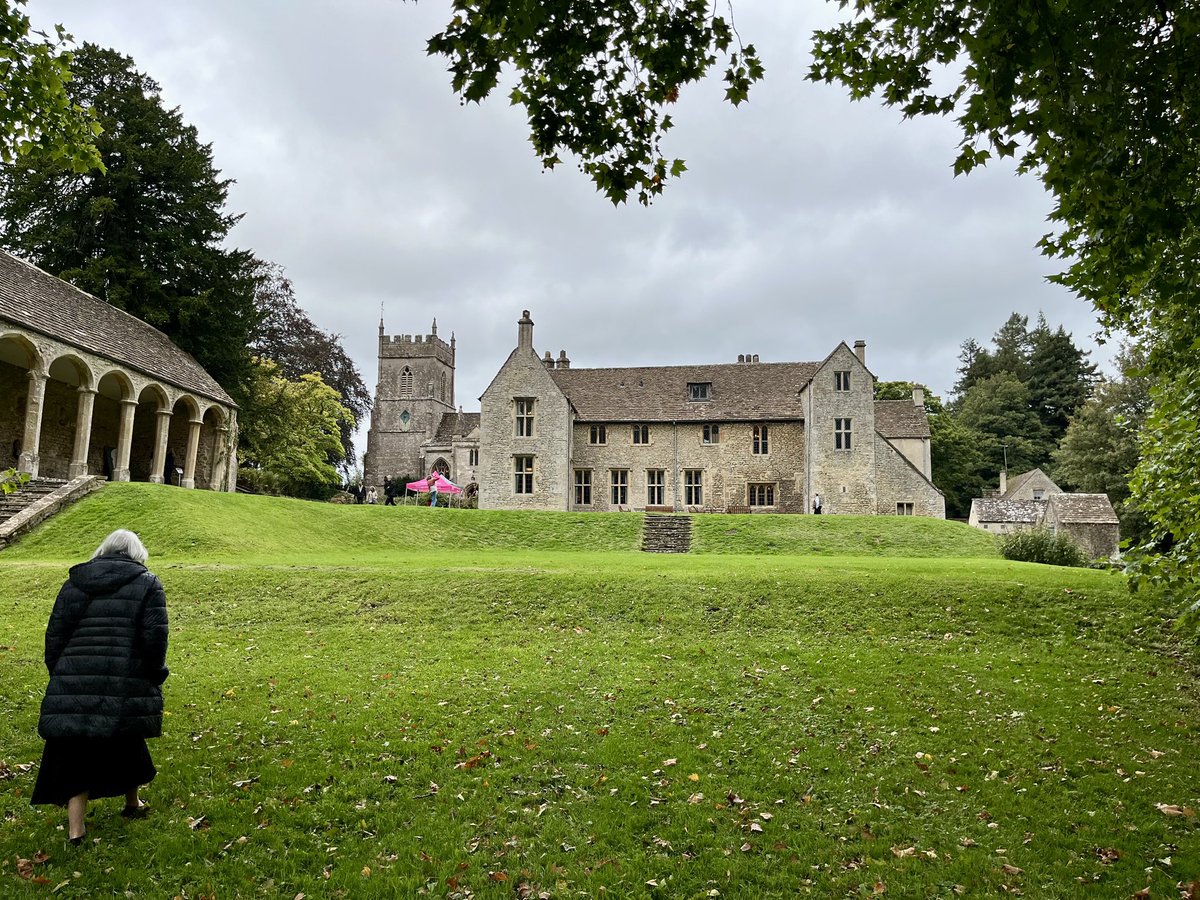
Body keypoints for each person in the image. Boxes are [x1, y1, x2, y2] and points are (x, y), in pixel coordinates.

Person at [32, 529, 168, 846]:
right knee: (126, 734)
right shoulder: (148, 583)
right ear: (138, 554)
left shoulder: (74, 583)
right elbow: (154, 637)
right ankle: (131, 803)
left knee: (75, 748)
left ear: (102, 550)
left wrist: (60, 671)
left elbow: (55, 634)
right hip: (124, 675)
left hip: (74, 673)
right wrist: (155, 671)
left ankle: (77, 829)